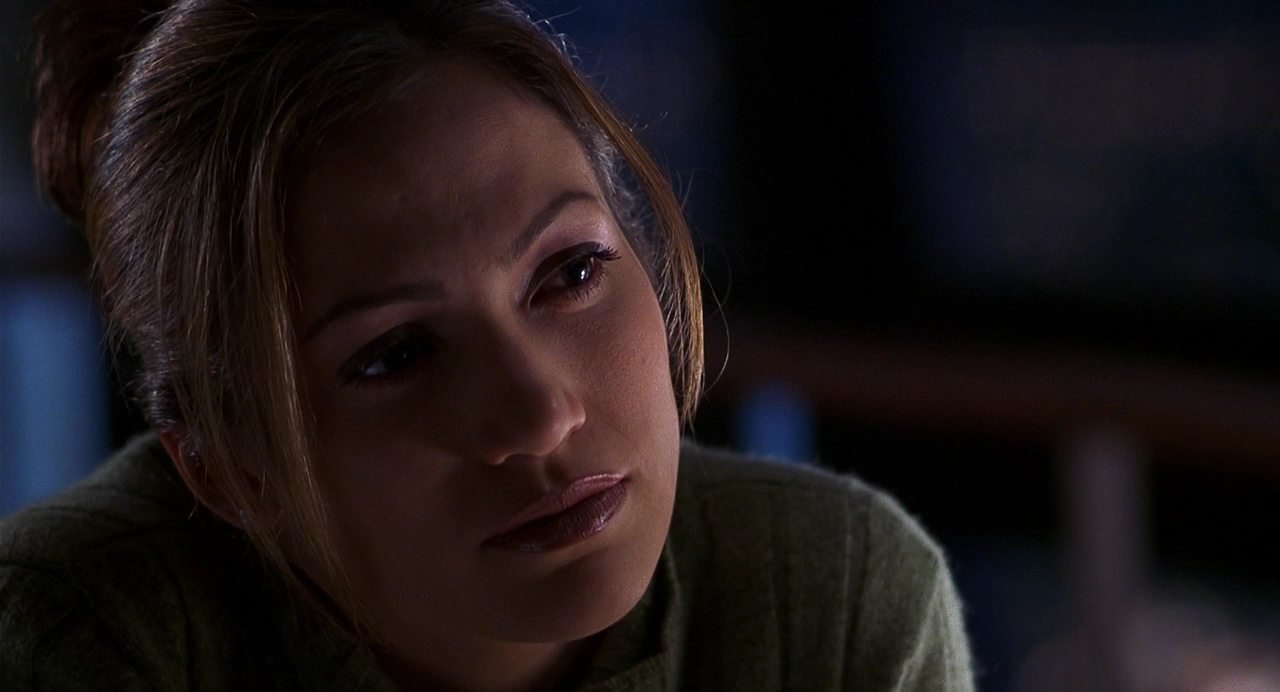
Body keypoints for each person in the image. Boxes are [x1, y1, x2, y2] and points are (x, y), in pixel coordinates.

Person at [0, 1, 975, 690]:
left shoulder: (833, 598)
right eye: (397, 353)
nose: (541, 413)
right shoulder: (87, 630)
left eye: (571, 272)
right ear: (228, 470)